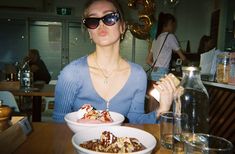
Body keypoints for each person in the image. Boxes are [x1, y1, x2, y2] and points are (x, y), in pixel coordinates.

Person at [53, 0, 175, 124]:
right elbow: (58, 125)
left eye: (110, 17)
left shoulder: (137, 75)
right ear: (89, 32)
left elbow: (136, 121)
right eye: (93, 21)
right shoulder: (71, 74)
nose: (101, 24)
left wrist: (162, 109)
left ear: (122, 26)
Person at [146, 12, 186, 82]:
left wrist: (156, 67)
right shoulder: (170, 36)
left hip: (154, 72)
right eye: (173, 25)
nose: (174, 28)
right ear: (169, 24)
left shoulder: (155, 39)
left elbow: (148, 61)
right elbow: (182, 57)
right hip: (162, 73)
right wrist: (189, 63)